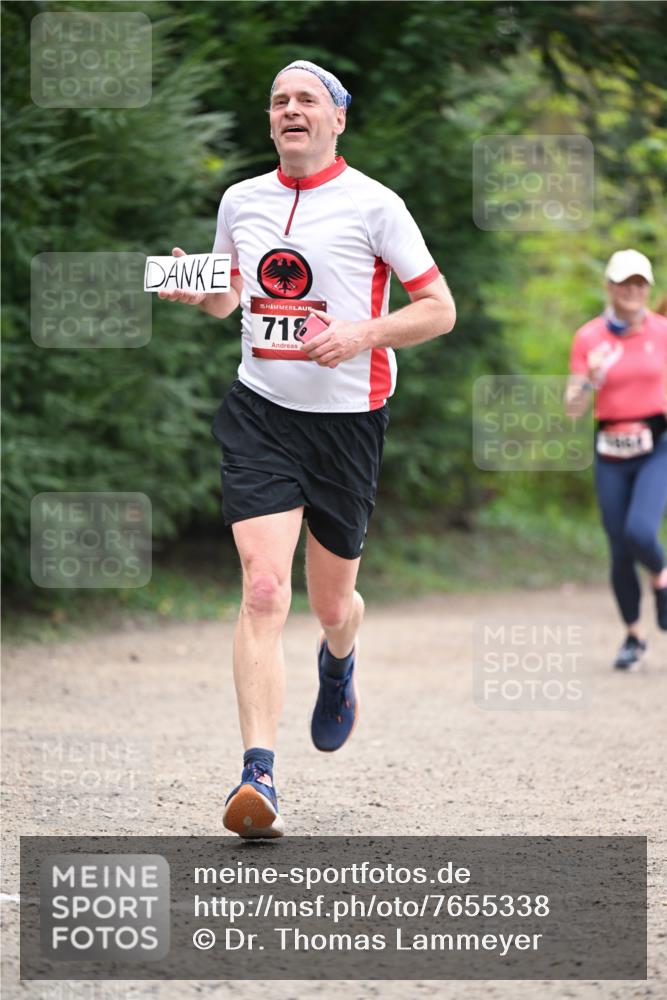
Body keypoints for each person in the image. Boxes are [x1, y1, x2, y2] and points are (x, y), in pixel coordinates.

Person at [158, 60, 456, 836]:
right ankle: (257, 777)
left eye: (307, 100)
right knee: (262, 591)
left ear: (337, 120)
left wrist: (364, 331)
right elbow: (232, 295)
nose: (291, 110)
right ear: (270, 123)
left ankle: (339, 660)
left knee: (331, 605)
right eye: (279, 101)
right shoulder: (241, 199)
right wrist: (201, 292)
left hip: (348, 425)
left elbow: (438, 310)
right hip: (260, 413)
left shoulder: (375, 206)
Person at [565, 249, 667, 670]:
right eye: (624, 283)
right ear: (609, 287)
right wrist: (590, 380)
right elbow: (571, 406)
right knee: (619, 547)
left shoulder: (662, 332)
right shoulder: (590, 338)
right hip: (610, 446)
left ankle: (661, 577)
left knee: (640, 531)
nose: (632, 291)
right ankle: (633, 636)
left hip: (657, 443)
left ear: (648, 288)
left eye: (639, 283)